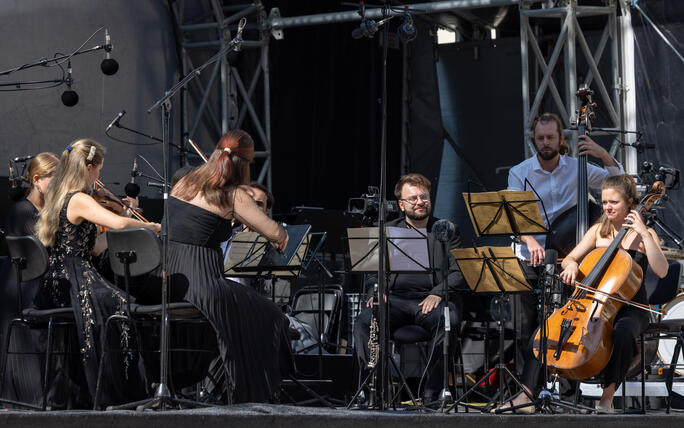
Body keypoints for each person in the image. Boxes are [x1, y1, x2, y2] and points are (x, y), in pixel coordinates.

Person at [140, 129, 292, 404]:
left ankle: (223, 384)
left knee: (246, 310)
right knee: (270, 313)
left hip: (167, 277)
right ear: (244, 166)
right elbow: (277, 235)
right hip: (203, 283)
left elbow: (192, 223)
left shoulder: (184, 181)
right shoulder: (233, 195)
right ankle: (253, 390)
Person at [503, 112, 625, 412]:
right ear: (535, 139)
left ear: (561, 139)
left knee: (568, 326)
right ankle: (526, 391)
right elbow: (512, 218)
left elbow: (619, 181)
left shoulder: (578, 168)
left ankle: (568, 394)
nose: (545, 143)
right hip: (530, 255)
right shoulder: (521, 172)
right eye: (540, 138)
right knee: (524, 325)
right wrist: (528, 239)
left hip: (569, 259)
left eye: (550, 137)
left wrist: (601, 152)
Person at [33, 139, 161, 408]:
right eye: (99, 170)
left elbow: (95, 247)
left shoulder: (59, 196)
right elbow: (115, 221)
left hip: (60, 279)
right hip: (73, 280)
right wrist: (148, 226)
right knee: (121, 306)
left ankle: (116, 387)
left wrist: (121, 227)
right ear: (88, 168)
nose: (99, 176)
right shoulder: (78, 198)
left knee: (119, 301)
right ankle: (120, 392)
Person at [558, 174, 668, 412]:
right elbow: (569, 258)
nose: (607, 206)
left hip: (632, 306)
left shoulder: (644, 235)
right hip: (596, 304)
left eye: (613, 202)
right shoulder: (598, 231)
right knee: (567, 329)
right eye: (604, 202)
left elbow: (661, 270)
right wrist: (571, 265)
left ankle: (608, 395)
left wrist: (645, 234)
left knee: (623, 330)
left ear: (630, 202)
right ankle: (566, 396)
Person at [353, 173, 464, 402]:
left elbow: (459, 271)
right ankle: (375, 390)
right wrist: (377, 290)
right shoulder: (387, 230)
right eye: (413, 198)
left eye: (424, 197)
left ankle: (433, 394)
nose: (420, 202)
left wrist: (438, 293)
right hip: (394, 300)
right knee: (365, 321)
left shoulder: (446, 229)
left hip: (431, 301)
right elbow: (371, 272)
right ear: (401, 205)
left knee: (449, 321)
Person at [4, 152, 59, 236]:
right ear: (36, 180)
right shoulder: (22, 211)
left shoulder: (52, 206)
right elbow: (43, 246)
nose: (60, 184)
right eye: (55, 180)